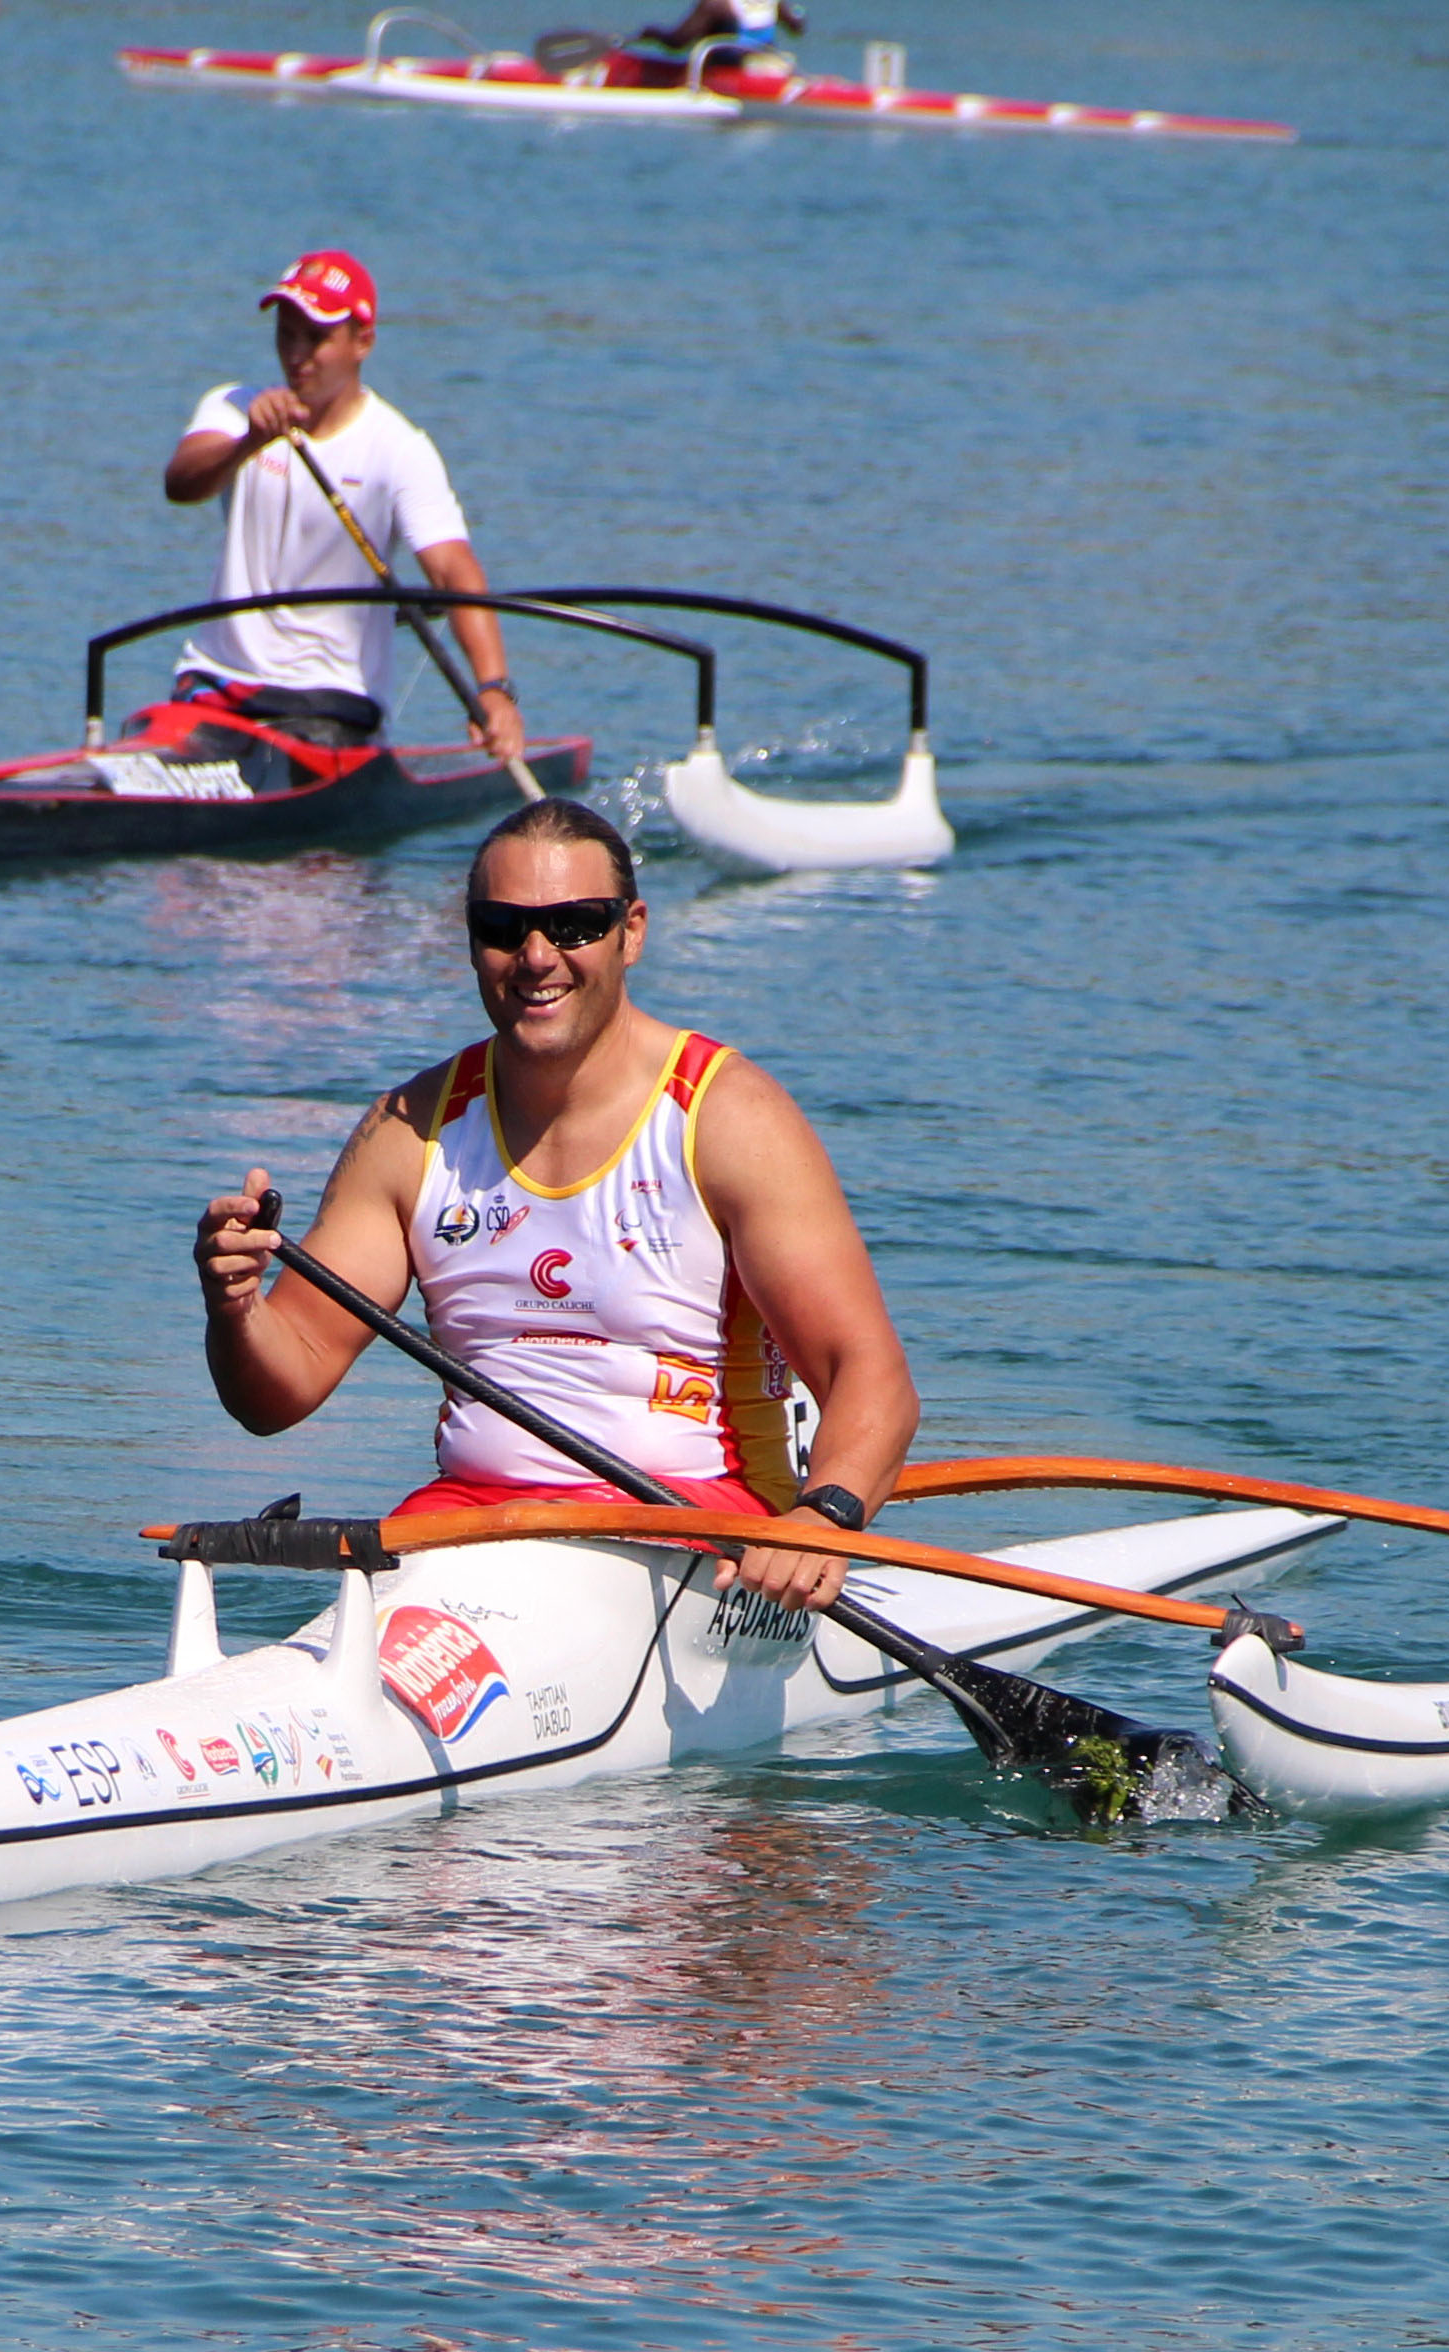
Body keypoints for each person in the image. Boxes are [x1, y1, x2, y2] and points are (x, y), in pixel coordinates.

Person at [190, 799, 916, 1610]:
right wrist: (235, 1305)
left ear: (631, 931)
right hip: (468, 1518)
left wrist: (827, 1516)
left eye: (575, 925)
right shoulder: (410, 1130)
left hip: (695, 1533)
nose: (537, 957)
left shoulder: (729, 1120)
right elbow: (277, 1392)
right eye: (503, 927)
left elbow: (872, 1376)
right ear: (470, 939)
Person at [160, 251, 524, 762]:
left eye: (316, 337)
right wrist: (249, 442)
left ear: (363, 342)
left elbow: (452, 571)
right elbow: (180, 483)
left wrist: (494, 689)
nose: (296, 354)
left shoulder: (398, 448)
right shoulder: (235, 408)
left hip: (329, 701)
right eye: (286, 334)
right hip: (215, 683)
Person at [631, 0, 805, 59]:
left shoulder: (715, 4)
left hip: (730, 70)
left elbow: (677, 43)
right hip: (768, 60)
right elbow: (796, 28)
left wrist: (652, 34)